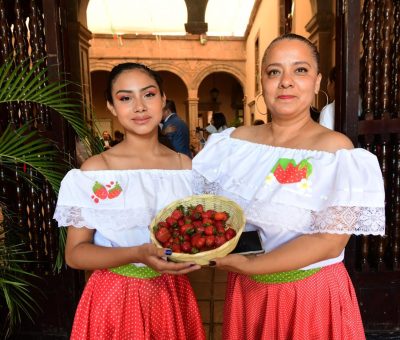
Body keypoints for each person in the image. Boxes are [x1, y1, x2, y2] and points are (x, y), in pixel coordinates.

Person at [193, 33, 385, 340]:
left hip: (308, 294)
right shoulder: (233, 144)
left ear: (318, 81)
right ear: (262, 81)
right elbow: (211, 211)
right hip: (248, 291)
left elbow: (329, 241)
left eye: (300, 70)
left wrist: (251, 266)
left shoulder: (336, 152)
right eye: (274, 71)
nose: (286, 82)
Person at [53, 62, 205, 340]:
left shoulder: (186, 168)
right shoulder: (95, 171)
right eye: (125, 98)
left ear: (162, 99)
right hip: (113, 298)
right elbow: (75, 254)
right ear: (111, 107)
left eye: (148, 94)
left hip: (171, 293)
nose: (139, 106)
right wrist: (137, 254)